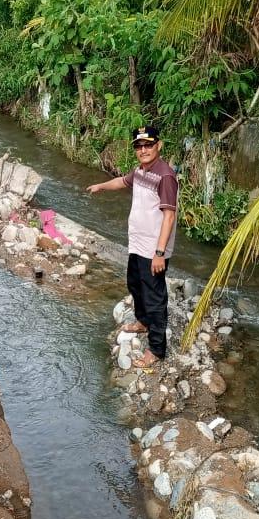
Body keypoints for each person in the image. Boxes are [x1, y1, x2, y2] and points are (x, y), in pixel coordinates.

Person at [87, 126, 178, 368]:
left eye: (148, 145)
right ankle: (143, 322)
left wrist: (159, 253)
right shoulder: (140, 171)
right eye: (139, 146)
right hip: (137, 244)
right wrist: (101, 186)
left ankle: (157, 350)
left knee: (155, 297)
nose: (144, 150)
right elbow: (123, 181)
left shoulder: (165, 176)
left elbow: (169, 217)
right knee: (134, 285)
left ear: (159, 145)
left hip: (153, 250)